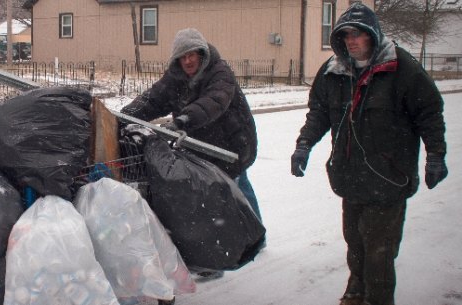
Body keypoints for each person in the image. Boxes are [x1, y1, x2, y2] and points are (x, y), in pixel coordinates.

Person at [290, 3, 448, 305]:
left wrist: (436, 155)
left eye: (359, 34)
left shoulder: (401, 69)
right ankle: (356, 292)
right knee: (356, 245)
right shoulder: (334, 71)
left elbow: (429, 113)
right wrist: (304, 145)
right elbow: (319, 113)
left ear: (373, 36)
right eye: (346, 35)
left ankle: (377, 299)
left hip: (389, 178)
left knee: (380, 252)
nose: (352, 41)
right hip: (351, 177)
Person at [121, 28, 261, 220]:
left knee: (237, 188)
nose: (187, 61)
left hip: (233, 142)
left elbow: (213, 101)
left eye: (191, 55)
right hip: (203, 144)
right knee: (215, 190)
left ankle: (255, 234)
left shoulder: (220, 73)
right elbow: (154, 99)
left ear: (201, 54)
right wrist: (124, 117)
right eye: (182, 57)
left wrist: (182, 121)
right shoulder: (176, 77)